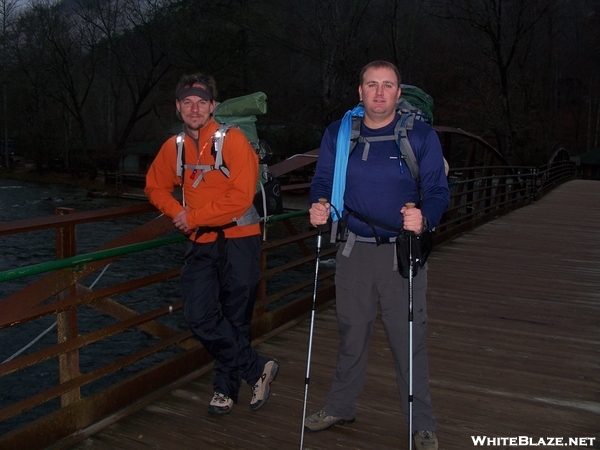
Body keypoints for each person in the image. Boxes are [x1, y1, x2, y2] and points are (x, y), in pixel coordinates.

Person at [305, 60, 449, 450]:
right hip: (353, 249)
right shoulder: (340, 133)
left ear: (399, 94)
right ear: (360, 91)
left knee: (408, 339)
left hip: (401, 254)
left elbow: (437, 190)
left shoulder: (419, 136)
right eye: (372, 84)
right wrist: (319, 204)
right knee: (352, 332)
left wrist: (426, 216)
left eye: (388, 85)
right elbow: (322, 180)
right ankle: (340, 406)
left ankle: (422, 423)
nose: (379, 92)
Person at [145, 73, 278, 416]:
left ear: (212, 106)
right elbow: (155, 186)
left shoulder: (233, 141)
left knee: (235, 317)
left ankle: (224, 390)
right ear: (177, 107)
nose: (194, 108)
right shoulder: (175, 147)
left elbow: (239, 198)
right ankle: (255, 368)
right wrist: (177, 212)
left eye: (201, 102)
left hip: (239, 240)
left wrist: (194, 216)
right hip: (201, 243)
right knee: (199, 314)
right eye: (187, 102)